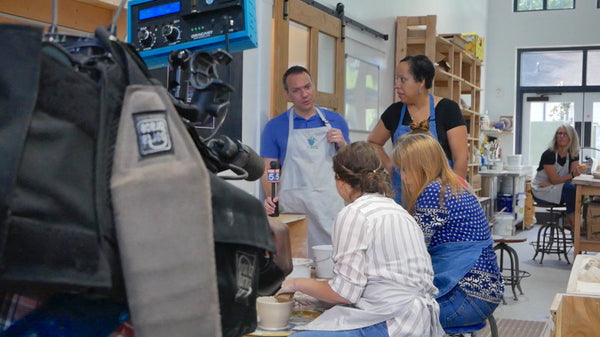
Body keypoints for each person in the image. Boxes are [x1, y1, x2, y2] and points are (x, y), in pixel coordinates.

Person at [276, 141, 444, 337]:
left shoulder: (355, 214)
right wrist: (317, 299)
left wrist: (295, 283)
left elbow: (344, 294)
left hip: (390, 321)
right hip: (419, 319)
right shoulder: (399, 211)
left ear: (340, 180)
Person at [392, 133, 503, 332]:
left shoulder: (433, 193)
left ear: (421, 168)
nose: (403, 177)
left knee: (391, 317)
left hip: (466, 297)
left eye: (405, 169)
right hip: (483, 293)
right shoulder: (455, 186)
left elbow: (413, 253)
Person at [261, 65, 350, 251]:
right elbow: (270, 169)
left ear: (313, 86)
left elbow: (349, 164)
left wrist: (342, 144)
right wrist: (271, 197)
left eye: (307, 87)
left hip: (329, 206)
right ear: (287, 95)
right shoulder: (275, 127)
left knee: (334, 258)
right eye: (296, 90)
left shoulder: (336, 121)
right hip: (295, 208)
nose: (304, 94)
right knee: (297, 258)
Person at [367, 54, 468, 204]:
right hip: (403, 195)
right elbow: (373, 142)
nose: (396, 85)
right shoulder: (394, 112)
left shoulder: (447, 109)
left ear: (421, 81)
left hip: (440, 196)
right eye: (396, 79)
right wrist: (391, 168)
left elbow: (460, 158)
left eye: (403, 80)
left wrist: (453, 195)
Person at [531, 124, 585, 228]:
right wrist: (556, 181)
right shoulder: (549, 154)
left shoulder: (573, 154)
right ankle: (573, 223)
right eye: (559, 133)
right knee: (570, 189)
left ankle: (575, 222)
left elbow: (574, 178)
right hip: (542, 191)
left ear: (571, 138)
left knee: (577, 189)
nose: (561, 136)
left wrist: (551, 183)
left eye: (565, 134)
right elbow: (557, 179)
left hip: (554, 187)